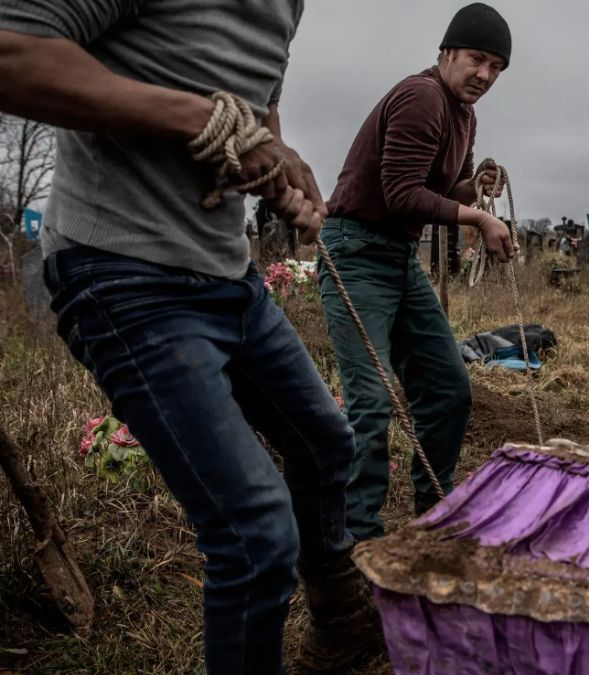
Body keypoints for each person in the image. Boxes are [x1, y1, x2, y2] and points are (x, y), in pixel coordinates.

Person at [0, 2, 377, 672]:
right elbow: (12, 49)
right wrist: (196, 118)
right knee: (255, 533)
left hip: (228, 275)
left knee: (324, 444)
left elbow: (255, 107)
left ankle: (342, 618)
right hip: (121, 270)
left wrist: (276, 156)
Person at [319, 2, 515, 535]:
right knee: (371, 400)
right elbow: (401, 194)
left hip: (398, 259)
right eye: (477, 59)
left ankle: (434, 511)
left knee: (449, 387)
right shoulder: (421, 96)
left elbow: (441, 190)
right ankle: (355, 541)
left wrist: (476, 188)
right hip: (355, 252)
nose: (485, 75)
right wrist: (476, 216)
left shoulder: (463, 115)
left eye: (497, 67)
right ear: (447, 51)